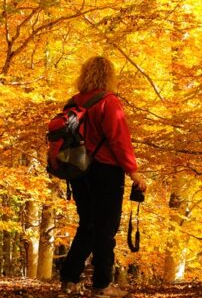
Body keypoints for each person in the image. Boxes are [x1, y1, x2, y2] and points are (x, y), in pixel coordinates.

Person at [60, 56, 147, 297]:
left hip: (77, 171)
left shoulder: (72, 103)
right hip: (105, 171)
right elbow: (119, 140)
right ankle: (102, 285)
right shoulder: (109, 102)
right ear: (108, 75)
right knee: (105, 228)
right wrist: (133, 171)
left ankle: (68, 280)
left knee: (87, 224)